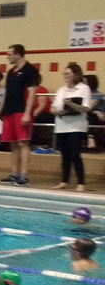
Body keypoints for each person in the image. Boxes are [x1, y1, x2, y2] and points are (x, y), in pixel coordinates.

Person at [0, 45, 40, 187]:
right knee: (13, 144)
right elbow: (6, 94)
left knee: (23, 142)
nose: (7, 57)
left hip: (21, 111)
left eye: (9, 54)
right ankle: (14, 173)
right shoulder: (10, 72)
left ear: (18, 55)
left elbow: (32, 93)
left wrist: (27, 113)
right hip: (9, 111)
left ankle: (24, 175)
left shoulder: (30, 70)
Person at [51, 63, 92, 191]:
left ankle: (81, 182)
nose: (66, 76)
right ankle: (64, 180)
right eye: (65, 74)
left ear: (76, 75)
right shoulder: (61, 90)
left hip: (76, 126)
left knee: (75, 154)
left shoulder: (83, 89)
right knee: (65, 156)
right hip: (62, 126)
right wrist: (56, 111)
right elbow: (53, 107)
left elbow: (86, 108)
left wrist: (70, 104)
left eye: (68, 74)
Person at [85, 74, 105, 151]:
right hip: (91, 114)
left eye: (84, 82)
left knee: (91, 117)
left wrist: (95, 112)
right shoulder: (84, 94)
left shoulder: (97, 94)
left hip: (100, 116)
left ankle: (91, 139)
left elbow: (89, 107)